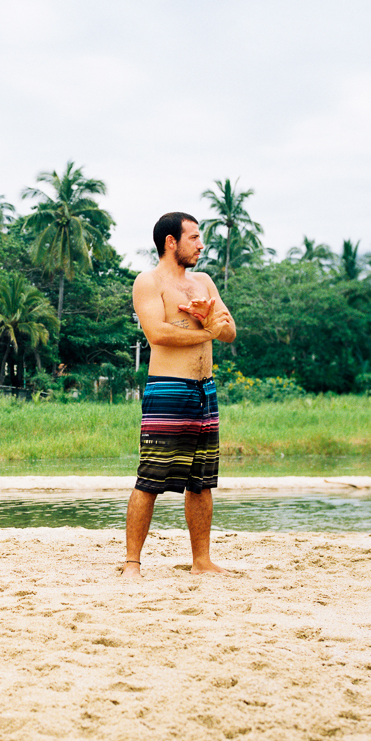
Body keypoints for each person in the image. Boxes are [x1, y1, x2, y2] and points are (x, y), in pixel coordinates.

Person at [121, 211, 236, 579]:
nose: (201, 245)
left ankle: (201, 560)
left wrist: (212, 324)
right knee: (150, 479)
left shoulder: (203, 281)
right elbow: (158, 333)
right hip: (169, 388)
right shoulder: (148, 281)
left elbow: (229, 330)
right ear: (171, 242)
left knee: (201, 482)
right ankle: (132, 563)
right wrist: (207, 331)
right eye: (194, 238)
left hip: (205, 389)